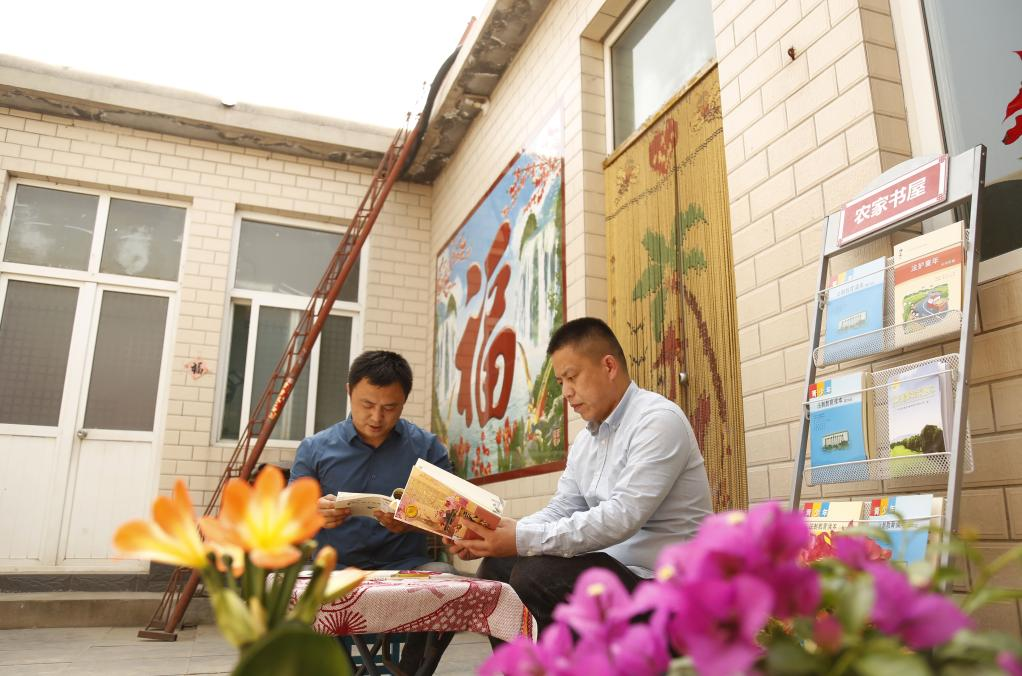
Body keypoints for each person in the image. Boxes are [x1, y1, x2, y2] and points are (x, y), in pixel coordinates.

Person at [446, 317, 713, 632]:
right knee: (498, 567)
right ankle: (531, 660)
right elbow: (563, 507)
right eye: (560, 382)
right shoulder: (587, 440)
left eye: (571, 377)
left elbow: (621, 517)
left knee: (537, 574)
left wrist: (519, 538)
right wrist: (495, 535)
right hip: (615, 575)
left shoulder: (657, 421)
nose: (566, 392)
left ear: (609, 366)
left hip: (665, 586)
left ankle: (563, 657)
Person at [290, 349, 453, 673]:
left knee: (450, 581)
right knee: (298, 589)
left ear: (403, 402)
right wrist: (315, 513)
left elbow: (451, 519)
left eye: (390, 408)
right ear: (349, 392)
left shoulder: (427, 448)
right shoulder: (315, 449)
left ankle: (410, 671)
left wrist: (410, 522)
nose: (377, 418)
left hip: (407, 567)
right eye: (367, 404)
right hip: (335, 568)